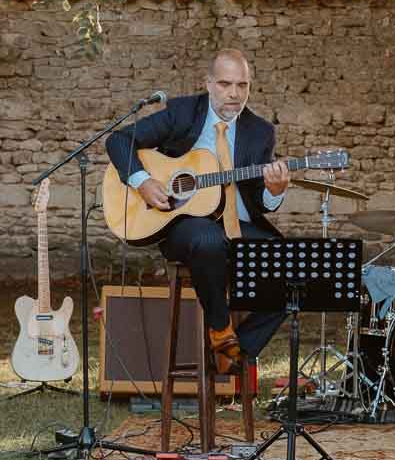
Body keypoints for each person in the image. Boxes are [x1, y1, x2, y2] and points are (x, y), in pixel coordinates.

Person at [105, 48, 290, 372]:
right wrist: (144, 182)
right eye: (225, 84)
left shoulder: (260, 132)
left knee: (295, 267)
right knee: (207, 240)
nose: (234, 94)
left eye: (242, 85)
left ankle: (235, 350)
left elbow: (259, 200)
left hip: (237, 224)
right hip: (182, 224)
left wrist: (275, 192)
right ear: (208, 83)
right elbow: (119, 141)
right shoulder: (182, 113)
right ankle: (220, 329)